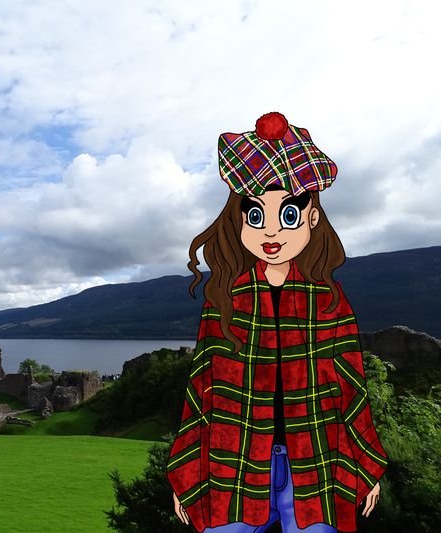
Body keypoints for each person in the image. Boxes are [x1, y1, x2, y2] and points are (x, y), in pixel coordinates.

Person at [167, 113, 388, 533]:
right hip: (233, 462)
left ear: (312, 218)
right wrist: (186, 473)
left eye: (288, 214)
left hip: (318, 462)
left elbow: (351, 387)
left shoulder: (328, 300)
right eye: (255, 215)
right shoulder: (224, 299)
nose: (270, 232)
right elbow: (202, 390)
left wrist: (366, 464)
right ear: (239, 220)